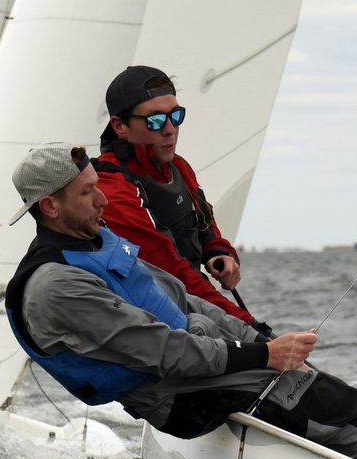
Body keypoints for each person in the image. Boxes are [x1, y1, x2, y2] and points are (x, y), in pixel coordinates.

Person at [5, 143, 357, 459]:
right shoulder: (56, 285)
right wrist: (265, 357)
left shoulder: (96, 240)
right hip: (181, 397)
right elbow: (165, 352)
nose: (102, 200)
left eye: (98, 185)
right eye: (86, 192)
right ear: (50, 207)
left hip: (204, 366)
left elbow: (182, 297)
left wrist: (260, 340)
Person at [94, 66, 258, 327]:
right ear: (120, 126)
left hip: (195, 308)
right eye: (155, 120)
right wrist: (248, 326)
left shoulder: (177, 166)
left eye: (176, 116)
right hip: (158, 322)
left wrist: (218, 251)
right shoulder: (112, 185)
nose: (170, 129)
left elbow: (204, 223)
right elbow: (172, 273)